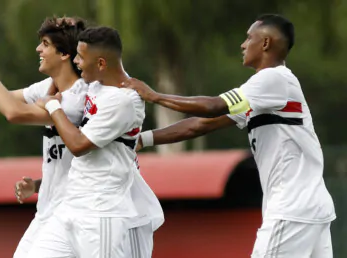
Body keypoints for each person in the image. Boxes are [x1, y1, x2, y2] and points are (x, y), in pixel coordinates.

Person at [124, 14, 335, 258]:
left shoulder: (273, 79)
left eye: (249, 38)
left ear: (265, 43)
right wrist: (143, 139)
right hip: (312, 207)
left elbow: (213, 106)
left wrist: (154, 96)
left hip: (292, 208)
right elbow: (200, 125)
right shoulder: (266, 92)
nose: (243, 45)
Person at [0, 16, 89, 258]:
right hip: (47, 209)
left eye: (45, 44)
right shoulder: (49, 85)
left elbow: (14, 113)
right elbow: (1, 100)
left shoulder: (76, 99)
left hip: (73, 213)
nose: (38, 49)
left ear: (65, 54)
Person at [28, 26, 163, 258]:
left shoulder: (123, 101)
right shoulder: (97, 82)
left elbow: (78, 145)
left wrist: (52, 106)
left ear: (101, 63)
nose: (76, 62)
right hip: (70, 205)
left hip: (101, 212)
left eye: (80, 57)